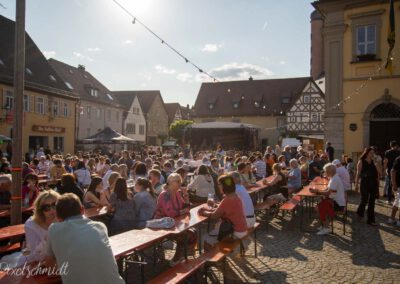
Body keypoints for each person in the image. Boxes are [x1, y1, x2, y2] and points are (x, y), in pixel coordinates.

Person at [44, 193, 124, 284]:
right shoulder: (100, 226)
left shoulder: (53, 229)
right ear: (82, 209)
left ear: (58, 217)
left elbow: (49, 266)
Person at [154, 173, 193, 265]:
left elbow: (186, 207)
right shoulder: (165, 195)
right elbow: (170, 213)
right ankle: (176, 259)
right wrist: (183, 211)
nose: (180, 183)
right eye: (177, 181)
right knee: (186, 235)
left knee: (192, 232)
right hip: (163, 224)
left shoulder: (177, 193)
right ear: (170, 182)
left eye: (180, 181)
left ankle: (182, 256)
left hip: (174, 222)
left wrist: (186, 196)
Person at [199, 175, 247, 246]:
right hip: (242, 229)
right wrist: (210, 207)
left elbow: (214, 216)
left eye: (219, 184)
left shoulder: (227, 200)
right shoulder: (235, 196)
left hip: (235, 232)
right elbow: (222, 209)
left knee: (205, 239)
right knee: (216, 231)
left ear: (223, 186)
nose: (218, 186)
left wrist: (203, 212)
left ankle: (218, 256)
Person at [23, 190, 60, 264]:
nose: (52, 210)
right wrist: (52, 229)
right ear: (40, 210)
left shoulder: (65, 219)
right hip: (37, 263)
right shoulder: (31, 225)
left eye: (55, 205)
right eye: (46, 207)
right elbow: (36, 256)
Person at [311, 163, 346, 235]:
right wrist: (318, 192)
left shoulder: (334, 179)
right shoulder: (333, 178)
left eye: (325, 171)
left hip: (338, 204)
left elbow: (327, 193)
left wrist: (317, 191)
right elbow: (327, 190)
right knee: (319, 206)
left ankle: (326, 228)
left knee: (319, 207)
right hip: (335, 201)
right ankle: (324, 225)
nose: (324, 173)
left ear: (329, 172)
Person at [356, 147, 379, 226]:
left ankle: (370, 220)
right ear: (367, 153)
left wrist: (376, 164)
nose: (372, 154)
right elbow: (358, 174)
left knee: (372, 202)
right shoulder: (361, 161)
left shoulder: (373, 162)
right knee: (364, 199)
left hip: (373, 183)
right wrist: (356, 185)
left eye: (373, 153)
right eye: (371, 153)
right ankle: (360, 211)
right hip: (364, 183)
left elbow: (379, 173)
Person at [387, 156, 400, 226]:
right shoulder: (398, 159)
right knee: (397, 203)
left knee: (397, 203)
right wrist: (394, 184)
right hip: (398, 186)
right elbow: (392, 171)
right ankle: (393, 220)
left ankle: (392, 219)